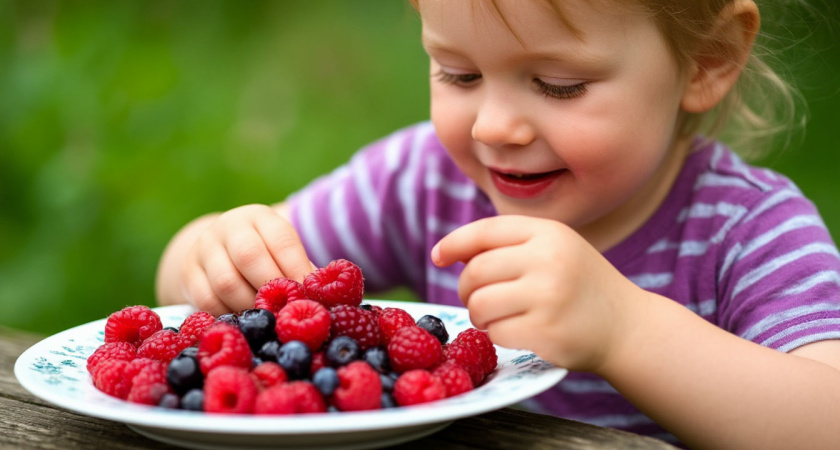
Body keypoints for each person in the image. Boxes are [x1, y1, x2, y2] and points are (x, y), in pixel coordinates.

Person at [156, 1, 840, 447]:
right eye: (458, 74)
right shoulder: (421, 182)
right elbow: (207, 289)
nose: (495, 127)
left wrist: (625, 328)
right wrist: (212, 249)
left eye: (559, 85)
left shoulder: (744, 229)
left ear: (707, 61)